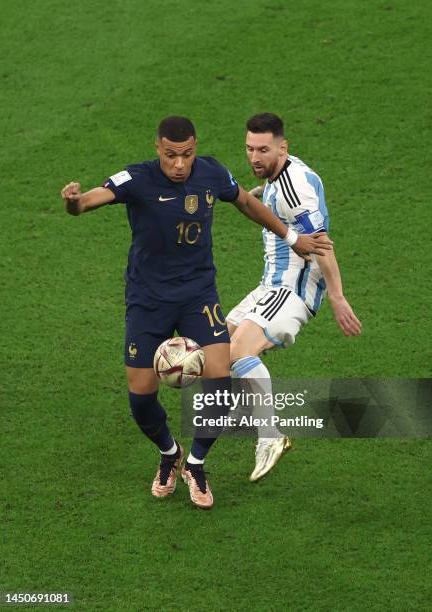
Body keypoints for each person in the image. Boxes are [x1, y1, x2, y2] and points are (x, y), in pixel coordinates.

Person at [61, 116, 333, 509]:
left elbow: (244, 201)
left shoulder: (209, 172)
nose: (179, 164)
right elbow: (88, 201)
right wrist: (74, 202)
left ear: (195, 148)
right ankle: (169, 453)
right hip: (148, 300)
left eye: (186, 154)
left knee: (220, 383)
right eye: (171, 156)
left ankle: (196, 463)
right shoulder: (136, 180)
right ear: (158, 149)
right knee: (140, 397)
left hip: (197, 296)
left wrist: (291, 236)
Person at [227, 113, 362, 482]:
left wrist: (337, 296)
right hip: (270, 284)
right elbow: (280, 201)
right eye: (249, 149)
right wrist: (260, 197)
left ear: (282, 147)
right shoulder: (280, 176)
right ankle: (252, 409)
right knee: (219, 345)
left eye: (263, 150)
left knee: (240, 351)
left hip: (292, 289)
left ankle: (270, 437)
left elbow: (321, 245)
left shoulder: (293, 188)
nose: (254, 157)